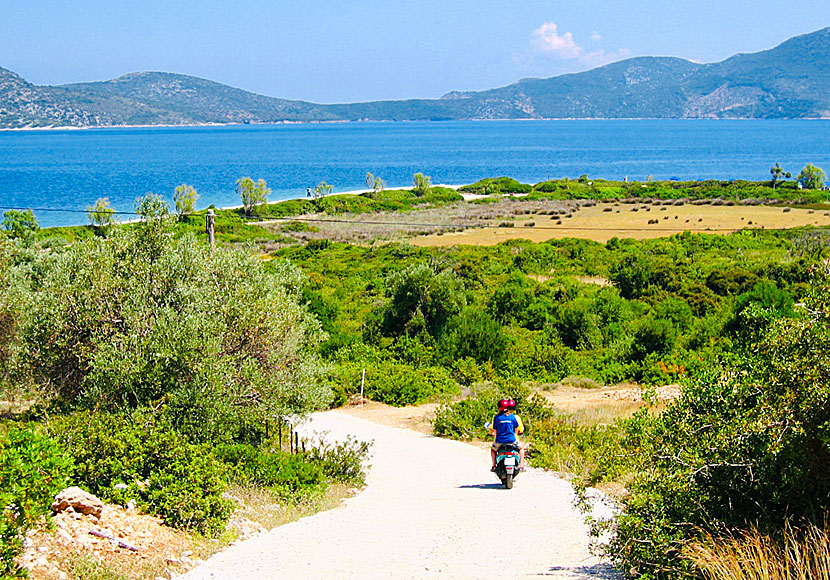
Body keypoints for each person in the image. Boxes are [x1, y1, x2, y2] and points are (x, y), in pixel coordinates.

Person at [489, 398, 525, 471]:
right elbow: (516, 428)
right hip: (512, 440)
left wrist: (496, 435)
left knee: (493, 450)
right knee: (521, 448)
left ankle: (494, 466)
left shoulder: (497, 418)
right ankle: (521, 465)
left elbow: (495, 430)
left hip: (500, 441)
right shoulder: (512, 416)